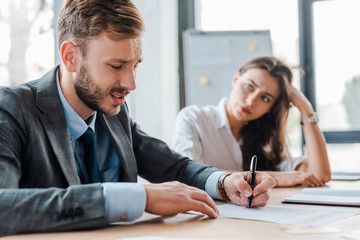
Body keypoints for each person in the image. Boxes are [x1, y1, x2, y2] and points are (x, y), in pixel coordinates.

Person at [0, 0, 276, 236]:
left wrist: (224, 183)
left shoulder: (113, 113)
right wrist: (138, 197)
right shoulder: (12, 109)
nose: (131, 83)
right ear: (70, 56)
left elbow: (174, 167)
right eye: (117, 66)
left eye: (135, 66)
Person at [173, 56, 331, 188]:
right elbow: (190, 175)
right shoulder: (193, 118)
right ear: (236, 79)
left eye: (265, 98)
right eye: (249, 86)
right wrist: (274, 178)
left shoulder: (265, 138)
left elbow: (319, 175)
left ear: (270, 107)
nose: (250, 101)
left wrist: (306, 108)